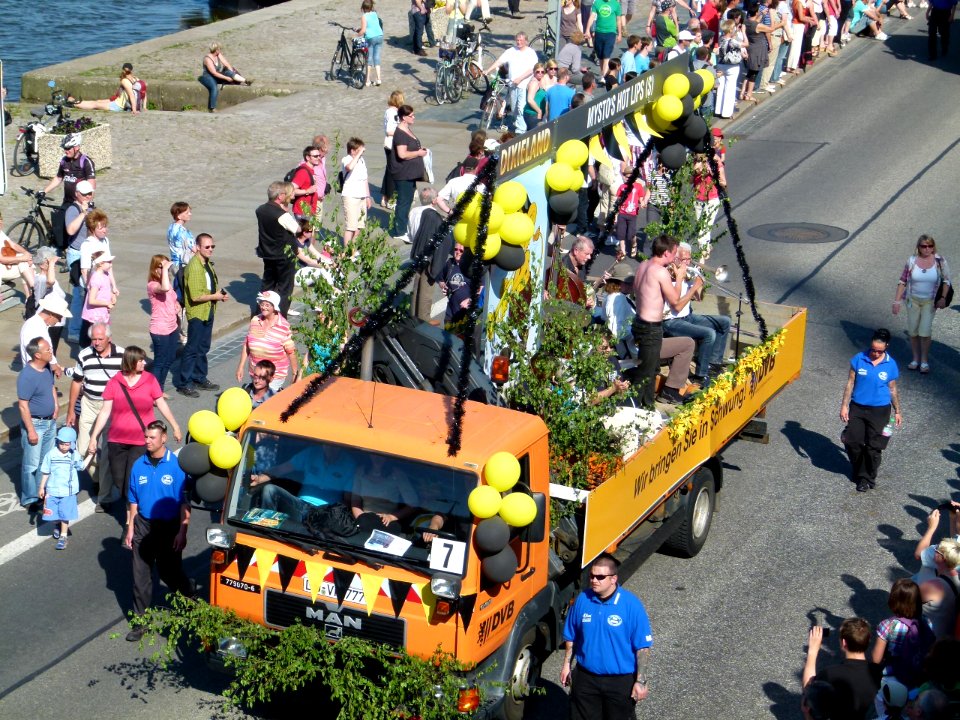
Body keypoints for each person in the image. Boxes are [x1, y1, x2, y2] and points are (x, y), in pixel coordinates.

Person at [123, 421, 194, 643]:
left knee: (169, 572)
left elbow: (184, 502)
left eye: (152, 438)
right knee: (140, 576)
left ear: (164, 438)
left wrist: (182, 531)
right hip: (143, 525)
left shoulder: (177, 466)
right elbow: (133, 499)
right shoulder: (138, 465)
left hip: (169, 526)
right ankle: (140, 622)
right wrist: (130, 527)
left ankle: (190, 599)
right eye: (146, 437)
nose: (147, 441)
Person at [88, 346, 181, 513]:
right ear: (131, 362)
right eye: (141, 360)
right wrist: (94, 436)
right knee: (119, 481)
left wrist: (175, 426)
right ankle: (133, 505)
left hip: (140, 440)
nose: (144, 363)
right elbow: (105, 411)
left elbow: (161, 404)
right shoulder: (115, 382)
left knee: (132, 479)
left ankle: (131, 521)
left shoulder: (150, 380)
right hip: (116, 440)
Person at [560, 553, 654, 720]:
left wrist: (640, 681)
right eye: (592, 576)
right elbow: (571, 636)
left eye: (600, 577)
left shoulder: (631, 605)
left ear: (613, 579)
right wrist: (567, 665)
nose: (594, 580)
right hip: (586, 678)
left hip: (619, 682)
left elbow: (642, 648)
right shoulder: (583, 600)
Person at [631, 235, 692, 407]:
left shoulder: (643, 265)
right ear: (666, 253)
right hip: (651, 328)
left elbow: (638, 290)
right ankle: (636, 407)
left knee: (650, 370)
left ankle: (647, 407)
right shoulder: (660, 271)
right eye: (673, 254)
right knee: (646, 373)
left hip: (640, 323)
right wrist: (679, 278)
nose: (675, 258)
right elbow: (675, 303)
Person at [840, 328, 901, 492]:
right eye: (873, 349)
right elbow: (850, 383)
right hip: (858, 407)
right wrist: (844, 406)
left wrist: (897, 411)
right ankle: (859, 470)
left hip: (880, 411)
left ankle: (866, 478)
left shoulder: (891, 364)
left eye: (879, 351)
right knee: (853, 441)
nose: (874, 353)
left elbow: (893, 389)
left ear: (886, 347)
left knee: (873, 447)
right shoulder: (859, 359)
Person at [66, 322, 123, 494]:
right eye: (93, 339)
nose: (96, 342)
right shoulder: (84, 355)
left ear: (109, 339)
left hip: (112, 406)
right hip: (89, 404)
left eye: (100, 339)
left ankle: (105, 487)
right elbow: (76, 382)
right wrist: (70, 411)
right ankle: (99, 476)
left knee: (108, 449)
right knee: (83, 449)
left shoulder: (122, 355)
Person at [663, 242, 731, 381]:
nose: (688, 262)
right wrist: (693, 287)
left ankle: (713, 364)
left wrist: (699, 283)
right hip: (671, 321)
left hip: (687, 317)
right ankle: (700, 376)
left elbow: (698, 298)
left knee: (724, 322)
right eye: (685, 259)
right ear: (675, 258)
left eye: (689, 258)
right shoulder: (667, 276)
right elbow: (677, 307)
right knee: (709, 334)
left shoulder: (687, 273)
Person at [892, 235, 952, 374]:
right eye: (923, 246)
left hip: (930, 302)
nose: (927, 249)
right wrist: (897, 301)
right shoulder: (912, 261)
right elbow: (902, 281)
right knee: (913, 331)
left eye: (930, 246)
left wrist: (942, 298)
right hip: (912, 300)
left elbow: (946, 281)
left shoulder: (939, 261)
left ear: (933, 247)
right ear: (918, 247)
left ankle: (924, 361)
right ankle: (915, 359)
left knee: (924, 331)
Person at [177, 234, 228, 397]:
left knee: (203, 347)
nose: (210, 249)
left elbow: (208, 288)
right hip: (198, 313)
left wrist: (219, 295)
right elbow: (195, 296)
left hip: (208, 310)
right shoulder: (194, 267)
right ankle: (184, 382)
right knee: (192, 348)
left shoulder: (206, 263)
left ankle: (199, 377)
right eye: (207, 247)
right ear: (198, 247)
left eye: (212, 246)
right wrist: (216, 296)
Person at [802, 619, 881, 719]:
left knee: (807, 708)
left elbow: (808, 692)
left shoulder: (829, 673)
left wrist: (812, 650)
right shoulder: (878, 671)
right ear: (868, 641)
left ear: (844, 643)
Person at [871, 578, 936, 691]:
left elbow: (876, 659)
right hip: (920, 675)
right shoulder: (926, 622)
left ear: (894, 600)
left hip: (895, 675)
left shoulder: (887, 625)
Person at [17, 337, 58, 512]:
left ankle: (41, 492)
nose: (51, 352)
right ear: (38, 355)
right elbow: (23, 405)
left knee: (45, 462)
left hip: (50, 422)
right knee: (31, 465)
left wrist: (55, 405)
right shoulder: (27, 376)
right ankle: (30, 498)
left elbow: (51, 387)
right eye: (48, 350)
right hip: (36, 424)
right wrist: (31, 431)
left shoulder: (47, 368)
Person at [236, 291, 299, 392]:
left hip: (275, 374)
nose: (263, 307)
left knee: (267, 398)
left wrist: (295, 373)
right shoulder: (255, 320)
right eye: (262, 304)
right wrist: (241, 367)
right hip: (255, 371)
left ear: (274, 307)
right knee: (259, 396)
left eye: (267, 305)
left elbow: (291, 352)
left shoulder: (283, 326)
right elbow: (246, 345)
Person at [408, 187, 452, 322]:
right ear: (434, 201)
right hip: (429, 257)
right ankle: (424, 318)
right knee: (426, 290)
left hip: (417, 252)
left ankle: (413, 314)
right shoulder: (433, 216)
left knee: (417, 287)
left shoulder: (414, 212)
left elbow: (411, 233)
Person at [39, 426, 85, 550]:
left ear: (72, 444)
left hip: (68, 491)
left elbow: (82, 467)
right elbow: (46, 472)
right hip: (52, 490)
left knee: (65, 515)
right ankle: (57, 525)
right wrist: (41, 487)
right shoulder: (51, 454)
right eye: (61, 443)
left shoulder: (74, 455)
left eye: (66, 444)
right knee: (52, 515)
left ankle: (63, 537)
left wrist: (91, 455)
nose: (63, 447)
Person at [255, 182, 298, 316]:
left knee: (267, 286)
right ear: (280, 196)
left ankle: (260, 315)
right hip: (284, 256)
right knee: (285, 289)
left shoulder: (260, 209)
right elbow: (297, 229)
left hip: (268, 254)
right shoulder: (281, 215)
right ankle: (280, 319)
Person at [484, 34, 540, 134]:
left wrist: (520, 78)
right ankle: (518, 125)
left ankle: (521, 131)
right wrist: (488, 70)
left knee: (520, 107)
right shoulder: (511, 51)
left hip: (524, 84)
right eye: (517, 40)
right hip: (512, 84)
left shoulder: (531, 53)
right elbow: (500, 61)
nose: (519, 42)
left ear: (526, 41)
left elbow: (532, 69)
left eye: (521, 40)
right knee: (514, 108)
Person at [348, 453, 419, 533]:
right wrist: (361, 518)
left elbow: (413, 504)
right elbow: (355, 501)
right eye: (374, 454)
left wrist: (391, 517)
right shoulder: (360, 471)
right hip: (364, 520)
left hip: (386, 523)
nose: (377, 458)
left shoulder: (398, 475)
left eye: (381, 455)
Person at [388, 106, 429, 243]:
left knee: (407, 200)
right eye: (411, 115)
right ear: (404, 117)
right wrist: (418, 153)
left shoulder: (407, 129)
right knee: (403, 202)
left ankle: (403, 227)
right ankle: (400, 230)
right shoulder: (400, 133)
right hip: (403, 173)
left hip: (410, 174)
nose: (414, 117)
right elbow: (402, 154)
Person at [146, 255, 180, 393]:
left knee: (170, 358)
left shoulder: (167, 283)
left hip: (172, 327)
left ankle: (159, 389)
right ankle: (154, 392)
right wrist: (166, 268)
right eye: (161, 266)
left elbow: (171, 297)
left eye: (166, 266)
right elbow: (164, 289)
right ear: (155, 269)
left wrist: (176, 304)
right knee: (160, 362)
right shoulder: (152, 285)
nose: (165, 269)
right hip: (160, 330)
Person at [41, 133, 95, 212]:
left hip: (80, 203)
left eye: (68, 148)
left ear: (76, 147)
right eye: (64, 148)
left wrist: (87, 203)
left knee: (74, 224)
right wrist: (44, 191)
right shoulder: (64, 161)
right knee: (59, 223)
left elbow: (92, 186)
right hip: (67, 201)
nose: (65, 151)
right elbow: (58, 178)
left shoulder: (86, 162)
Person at [918, 539, 960, 640]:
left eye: (937, 549)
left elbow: (908, 602)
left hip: (928, 635)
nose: (934, 549)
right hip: (946, 633)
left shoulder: (933, 586)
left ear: (941, 557)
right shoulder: (958, 578)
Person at [20, 295, 68, 378]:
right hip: (36, 375)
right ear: (51, 314)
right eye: (59, 317)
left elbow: (46, 352)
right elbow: (33, 358)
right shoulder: (34, 328)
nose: (60, 320)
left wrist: (55, 366)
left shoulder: (38, 325)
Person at [67, 63, 145, 114]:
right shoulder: (136, 79)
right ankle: (75, 101)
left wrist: (134, 110)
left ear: (123, 70)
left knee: (95, 104)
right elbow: (144, 91)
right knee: (97, 101)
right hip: (117, 101)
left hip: (117, 106)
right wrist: (144, 107)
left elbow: (131, 95)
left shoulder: (125, 81)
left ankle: (73, 104)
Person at [31, 247, 67, 354]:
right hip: (49, 322)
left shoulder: (49, 277)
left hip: (56, 321)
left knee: (52, 351)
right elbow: (50, 281)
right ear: (42, 265)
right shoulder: (42, 279)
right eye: (49, 263)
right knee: (48, 353)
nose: (53, 265)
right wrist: (51, 264)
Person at [341, 137, 374, 247]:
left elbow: (365, 179)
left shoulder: (362, 160)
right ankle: (347, 251)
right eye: (359, 150)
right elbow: (349, 167)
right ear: (353, 150)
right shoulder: (346, 159)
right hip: (350, 196)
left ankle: (353, 248)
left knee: (360, 226)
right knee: (351, 226)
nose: (362, 152)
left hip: (361, 196)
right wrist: (358, 154)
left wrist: (367, 197)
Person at [199, 42, 250, 112]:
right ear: (216, 50)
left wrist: (231, 72)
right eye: (219, 48)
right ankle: (212, 108)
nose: (220, 50)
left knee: (228, 73)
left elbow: (226, 63)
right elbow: (214, 73)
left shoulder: (218, 55)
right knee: (214, 87)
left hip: (216, 74)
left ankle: (245, 81)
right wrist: (226, 78)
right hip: (208, 76)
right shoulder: (208, 59)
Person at [80, 251, 116, 349]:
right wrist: (107, 303)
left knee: (103, 336)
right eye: (108, 262)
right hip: (95, 315)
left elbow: (105, 291)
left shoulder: (105, 275)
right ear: (100, 263)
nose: (111, 264)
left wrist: (112, 295)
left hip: (102, 314)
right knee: (97, 339)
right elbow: (91, 300)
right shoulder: (96, 278)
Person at [716, 19, 746, 118]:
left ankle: (718, 110)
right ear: (730, 30)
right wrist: (743, 32)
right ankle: (727, 113)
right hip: (732, 66)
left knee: (721, 88)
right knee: (730, 88)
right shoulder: (733, 41)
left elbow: (730, 37)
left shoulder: (721, 38)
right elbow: (746, 43)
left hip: (721, 64)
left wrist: (736, 31)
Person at [587, 0, 625, 78]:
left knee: (606, 54)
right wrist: (587, 30)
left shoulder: (616, 4)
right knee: (600, 55)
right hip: (599, 32)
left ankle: (603, 77)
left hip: (611, 32)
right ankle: (604, 73)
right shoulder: (597, 3)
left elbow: (618, 20)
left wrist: (620, 33)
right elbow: (592, 17)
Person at [381, 91, 404, 210]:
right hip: (391, 144)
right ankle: (390, 198)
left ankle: (385, 197)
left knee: (389, 170)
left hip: (393, 144)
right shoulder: (391, 112)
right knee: (393, 172)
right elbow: (389, 130)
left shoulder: (394, 112)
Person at [358, 0, 384, 86]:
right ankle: (379, 79)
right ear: (371, 7)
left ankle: (368, 80)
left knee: (369, 58)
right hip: (380, 35)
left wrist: (357, 35)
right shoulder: (375, 14)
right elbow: (372, 25)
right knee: (376, 57)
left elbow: (363, 30)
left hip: (371, 38)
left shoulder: (364, 16)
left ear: (362, 8)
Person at [166, 201, 195, 274]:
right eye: (187, 213)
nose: (190, 214)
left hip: (175, 264)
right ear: (179, 216)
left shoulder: (171, 227)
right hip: (185, 265)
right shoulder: (184, 232)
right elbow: (194, 249)